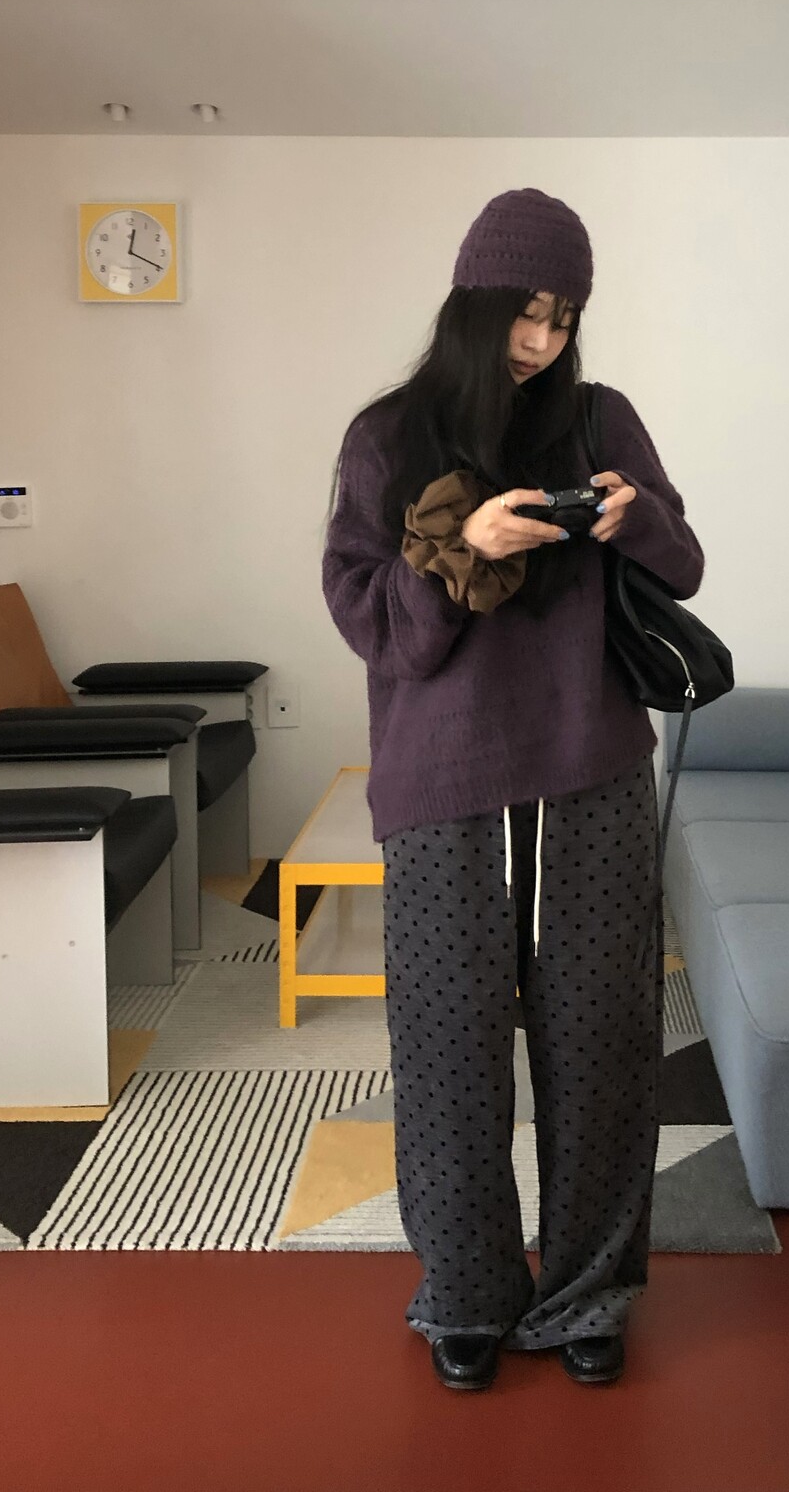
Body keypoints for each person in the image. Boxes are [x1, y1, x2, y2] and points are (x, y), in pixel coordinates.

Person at [321, 187, 704, 1393]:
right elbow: (369, 620)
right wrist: (464, 549)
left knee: (603, 1043)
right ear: (474, 301)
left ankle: (588, 1291)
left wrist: (633, 518)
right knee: (448, 1050)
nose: (541, 339)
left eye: (564, 316)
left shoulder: (600, 417)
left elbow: (685, 562)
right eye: (525, 313)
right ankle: (468, 1291)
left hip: (592, 768)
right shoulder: (388, 436)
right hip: (444, 785)